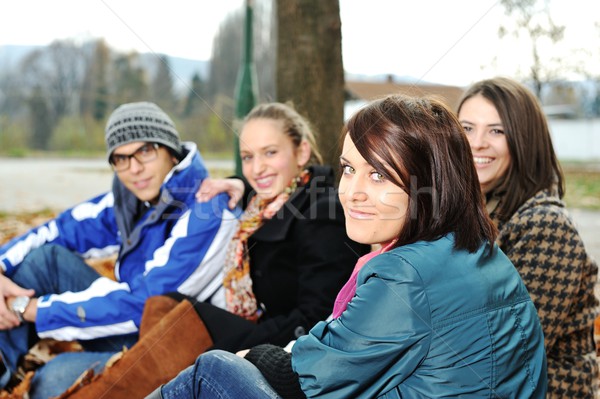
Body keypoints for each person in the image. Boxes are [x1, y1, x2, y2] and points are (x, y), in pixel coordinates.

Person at [149, 94, 548, 399]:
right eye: (349, 169)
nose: (352, 193)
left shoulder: (405, 273)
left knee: (212, 371)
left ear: (432, 182)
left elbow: (308, 375)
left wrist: (254, 356)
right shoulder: (480, 251)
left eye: (378, 175)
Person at [48, 102, 368, 398]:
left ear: (301, 152)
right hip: (256, 325)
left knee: (184, 322)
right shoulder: (263, 205)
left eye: (270, 153)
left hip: (289, 346)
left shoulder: (322, 213)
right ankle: (135, 382)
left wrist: (237, 344)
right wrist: (238, 183)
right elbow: (260, 196)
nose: (257, 168)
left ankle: (109, 390)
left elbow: (317, 317)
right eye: (247, 157)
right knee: (163, 303)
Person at [0, 102, 238, 394]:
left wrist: (31, 309)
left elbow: (142, 303)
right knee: (45, 261)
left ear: (170, 151)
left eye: (145, 151)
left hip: (175, 348)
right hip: (132, 331)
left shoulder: (206, 207)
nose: (134, 169)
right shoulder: (131, 199)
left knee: (50, 380)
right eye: (121, 158)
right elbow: (60, 230)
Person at [456, 77, 599, 398]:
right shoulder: (478, 213)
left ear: (524, 140)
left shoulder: (545, 226)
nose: (477, 143)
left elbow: (508, 354)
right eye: (466, 128)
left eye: (497, 130)